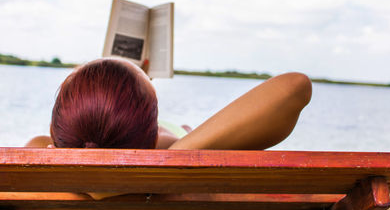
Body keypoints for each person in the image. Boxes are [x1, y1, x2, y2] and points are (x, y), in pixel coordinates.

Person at [26, 58, 312, 151]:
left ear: (55, 129)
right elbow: (294, 87)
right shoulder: (178, 149)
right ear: (152, 133)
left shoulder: (39, 153)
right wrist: (172, 153)